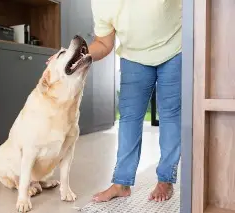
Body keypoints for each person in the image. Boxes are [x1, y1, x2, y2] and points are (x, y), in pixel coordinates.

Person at [48, 0, 182, 203]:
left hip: (175, 50)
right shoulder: (100, 3)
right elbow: (104, 43)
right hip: (134, 57)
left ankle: (165, 180)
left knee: (170, 115)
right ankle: (121, 183)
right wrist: (74, 58)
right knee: (128, 118)